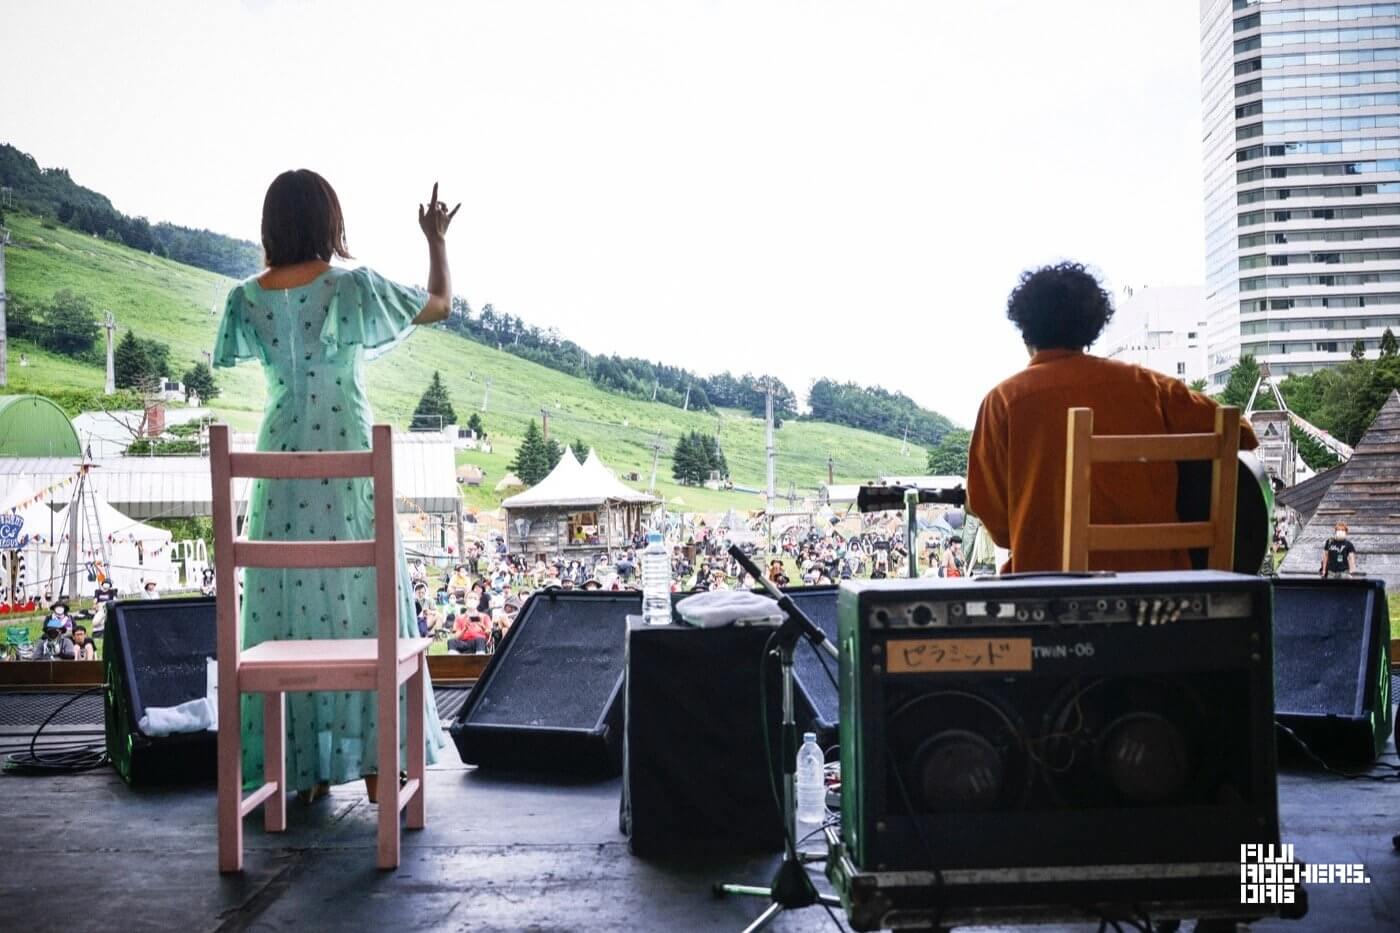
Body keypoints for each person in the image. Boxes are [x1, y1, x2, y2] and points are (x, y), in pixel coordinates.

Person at [213, 171, 455, 804]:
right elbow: (438, 304)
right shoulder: (351, 288)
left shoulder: (244, 298)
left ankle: (300, 765)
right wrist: (436, 240)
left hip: (279, 457)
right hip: (347, 452)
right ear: (330, 222)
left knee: (287, 606)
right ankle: (380, 765)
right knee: (362, 601)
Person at [967, 262, 1259, 574]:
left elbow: (999, 528)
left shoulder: (1003, 402)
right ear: (1091, 329)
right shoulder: (1150, 387)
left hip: (1048, 595)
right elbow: (1241, 434)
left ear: (1025, 331)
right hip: (1161, 591)